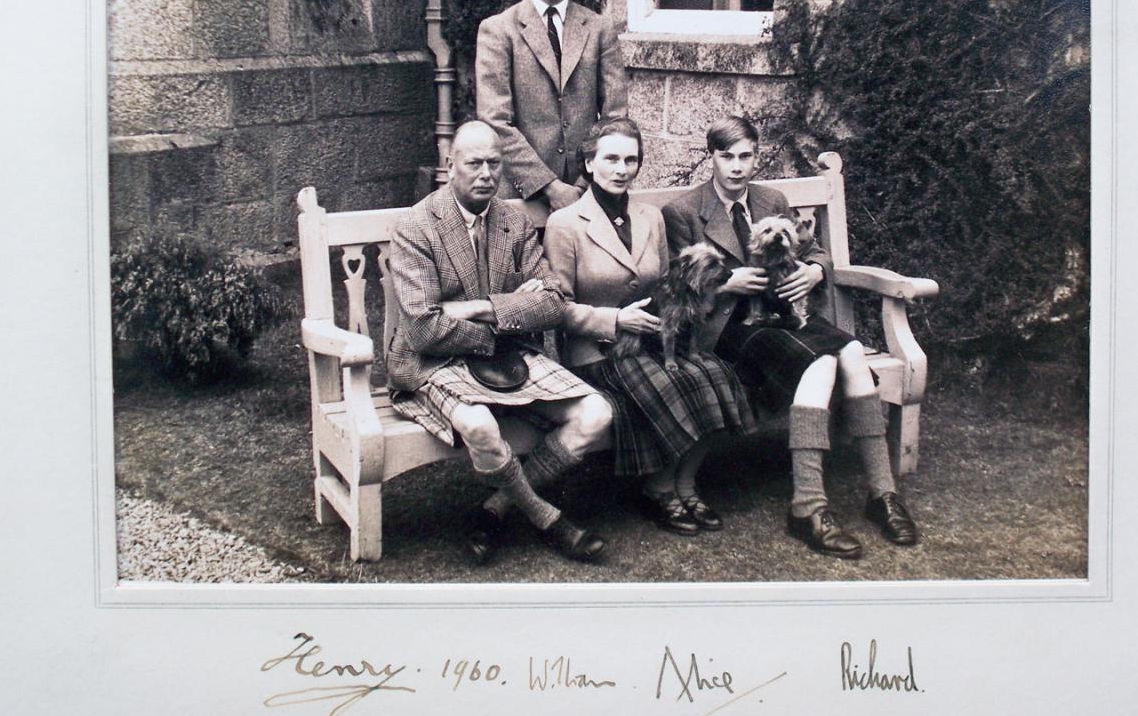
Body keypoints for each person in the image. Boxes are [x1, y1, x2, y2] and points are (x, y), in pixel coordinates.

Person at [661, 116, 920, 558]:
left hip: (785, 315)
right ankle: (808, 505)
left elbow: (813, 250)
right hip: (729, 327)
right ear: (712, 157)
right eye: (727, 157)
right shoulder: (684, 211)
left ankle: (883, 494)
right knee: (822, 362)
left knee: (853, 351)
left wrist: (814, 271)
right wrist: (726, 285)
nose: (737, 167)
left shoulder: (771, 199)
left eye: (746, 156)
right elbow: (675, 284)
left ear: (757, 156)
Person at [386, 121, 615, 565]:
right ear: (449, 165)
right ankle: (547, 517)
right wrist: (511, 314)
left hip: (510, 357)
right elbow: (423, 330)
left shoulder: (514, 222)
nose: (486, 174)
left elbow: (552, 302)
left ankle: (496, 509)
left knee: (597, 413)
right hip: (436, 362)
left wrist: (478, 308)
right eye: (474, 164)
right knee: (479, 425)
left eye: (495, 163)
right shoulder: (415, 227)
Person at [544, 119, 755, 536]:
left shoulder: (650, 218)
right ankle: (661, 490)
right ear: (589, 163)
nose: (621, 169)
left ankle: (682, 482)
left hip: (657, 340)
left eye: (630, 160)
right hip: (599, 350)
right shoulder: (566, 224)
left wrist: (678, 329)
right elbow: (556, 309)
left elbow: (668, 287)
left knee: (714, 375)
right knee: (668, 384)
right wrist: (616, 319)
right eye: (611, 159)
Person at [476, 0, 628, 211]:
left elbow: (614, 116)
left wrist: (586, 183)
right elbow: (495, 120)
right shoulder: (498, 30)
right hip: (521, 198)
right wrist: (549, 186)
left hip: (588, 195)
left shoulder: (599, 29)